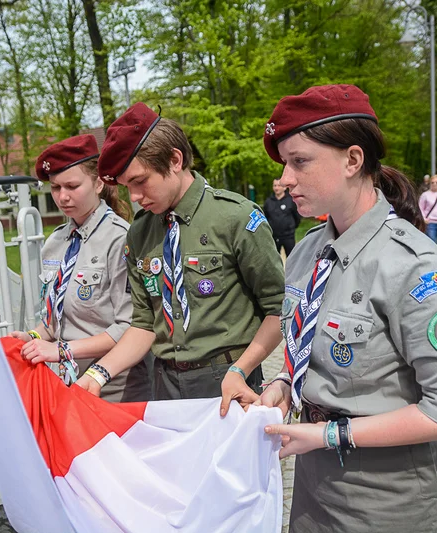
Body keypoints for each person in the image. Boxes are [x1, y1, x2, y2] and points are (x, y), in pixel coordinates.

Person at [255, 84, 437, 533]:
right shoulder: (305, 254)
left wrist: (328, 434)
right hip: (313, 491)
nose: (284, 178)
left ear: (353, 160)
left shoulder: (414, 268)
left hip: (386, 504)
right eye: (284, 163)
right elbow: (309, 344)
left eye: (299, 161)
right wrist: (284, 382)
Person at [75, 103, 285, 416]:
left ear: (175, 160)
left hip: (227, 382)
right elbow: (145, 324)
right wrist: (98, 373)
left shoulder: (235, 218)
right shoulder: (140, 233)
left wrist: (240, 370)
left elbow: (279, 309)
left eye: (140, 181)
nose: (133, 196)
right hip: (165, 385)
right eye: (126, 186)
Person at [8, 135, 150, 402]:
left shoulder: (119, 239)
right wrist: (32, 336)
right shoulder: (55, 242)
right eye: (55, 188)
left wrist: (61, 351)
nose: (62, 197)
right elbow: (55, 321)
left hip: (115, 390)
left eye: (72, 186)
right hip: (68, 386)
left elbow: (130, 326)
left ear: (98, 183)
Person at [263, 178, 302, 256]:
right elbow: (265, 217)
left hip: (288, 236)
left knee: (291, 258)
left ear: (284, 187)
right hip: (274, 236)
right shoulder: (268, 201)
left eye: (279, 185)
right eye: (275, 185)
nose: (276, 188)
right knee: (274, 258)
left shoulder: (291, 200)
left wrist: (291, 227)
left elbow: (297, 216)